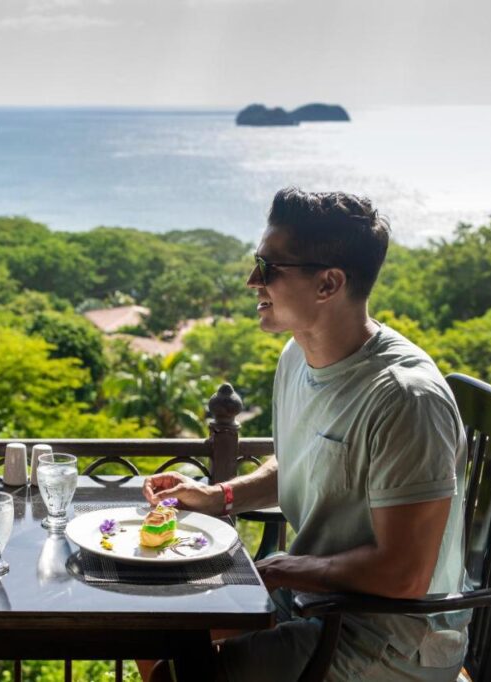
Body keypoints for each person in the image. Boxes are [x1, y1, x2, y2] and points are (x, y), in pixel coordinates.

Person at [142, 188, 469, 681]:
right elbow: (303, 458)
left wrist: (277, 570)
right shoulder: (297, 357)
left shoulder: (405, 399)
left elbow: (404, 574)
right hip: (314, 599)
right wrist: (218, 496)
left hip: (386, 637)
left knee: (176, 669)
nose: (254, 280)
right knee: (150, 629)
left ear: (328, 284)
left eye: (269, 267)